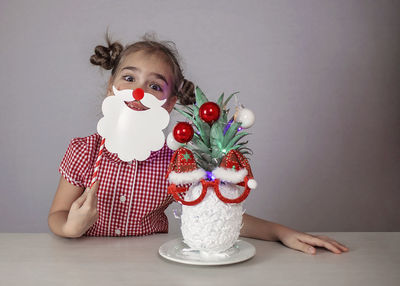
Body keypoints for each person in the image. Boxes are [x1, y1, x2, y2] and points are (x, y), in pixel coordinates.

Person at [48, 34, 348, 255]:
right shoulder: (84, 151)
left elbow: (211, 211)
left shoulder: (176, 162)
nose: (139, 92)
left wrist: (281, 233)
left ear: (169, 104)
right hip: (83, 260)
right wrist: (70, 227)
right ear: (111, 88)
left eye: (154, 86)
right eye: (129, 78)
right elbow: (57, 216)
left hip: (148, 262)